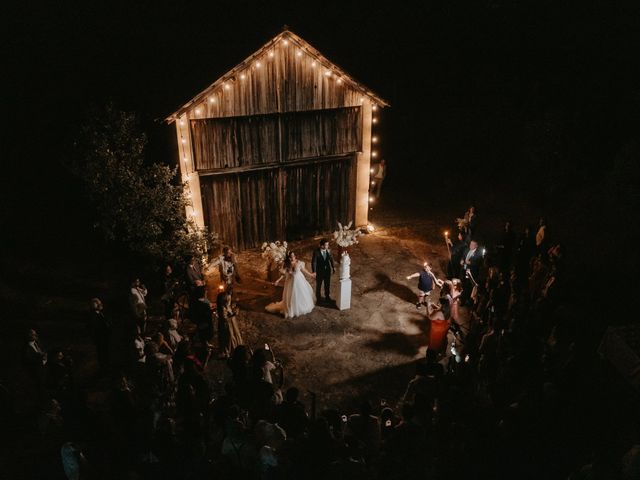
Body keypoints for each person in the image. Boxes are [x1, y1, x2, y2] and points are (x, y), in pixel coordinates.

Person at [266, 251, 316, 318]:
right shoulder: (287, 264)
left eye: (293, 256)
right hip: (290, 282)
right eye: (290, 256)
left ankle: (301, 306)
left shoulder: (299, 262)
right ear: (288, 257)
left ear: (295, 256)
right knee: (291, 295)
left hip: (299, 281)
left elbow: (304, 270)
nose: (292, 257)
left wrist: (311, 275)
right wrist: (277, 281)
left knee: (300, 294)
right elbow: (283, 274)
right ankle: (291, 309)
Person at [216, 288, 244, 358]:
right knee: (229, 337)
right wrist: (234, 314)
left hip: (230, 322)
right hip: (227, 324)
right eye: (227, 300)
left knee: (233, 334)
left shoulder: (224, 305)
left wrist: (232, 308)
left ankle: (234, 347)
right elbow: (225, 318)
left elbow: (228, 309)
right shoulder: (222, 309)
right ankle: (229, 351)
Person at [87, 297, 111, 374]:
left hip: (103, 337)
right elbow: (95, 328)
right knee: (102, 353)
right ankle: (104, 368)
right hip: (101, 338)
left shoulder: (99, 313)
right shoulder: (94, 315)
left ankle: (105, 367)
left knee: (104, 353)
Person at [311, 239, 335, 303]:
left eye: (327, 245)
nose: (327, 246)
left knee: (327, 284)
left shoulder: (329, 251)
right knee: (319, 285)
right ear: (321, 246)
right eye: (326, 245)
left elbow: (331, 259)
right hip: (319, 271)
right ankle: (318, 298)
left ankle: (327, 297)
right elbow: (314, 262)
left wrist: (333, 267)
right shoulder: (316, 252)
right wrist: (314, 271)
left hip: (327, 270)